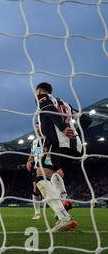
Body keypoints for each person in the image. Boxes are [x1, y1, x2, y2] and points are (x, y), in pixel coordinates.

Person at [34, 82, 91, 233]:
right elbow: (86, 119)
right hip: (75, 146)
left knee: (40, 178)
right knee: (55, 174)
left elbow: (49, 110)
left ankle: (63, 218)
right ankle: (64, 200)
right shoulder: (65, 103)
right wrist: (75, 132)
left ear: (39, 91)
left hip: (59, 143)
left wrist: (63, 128)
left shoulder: (42, 98)